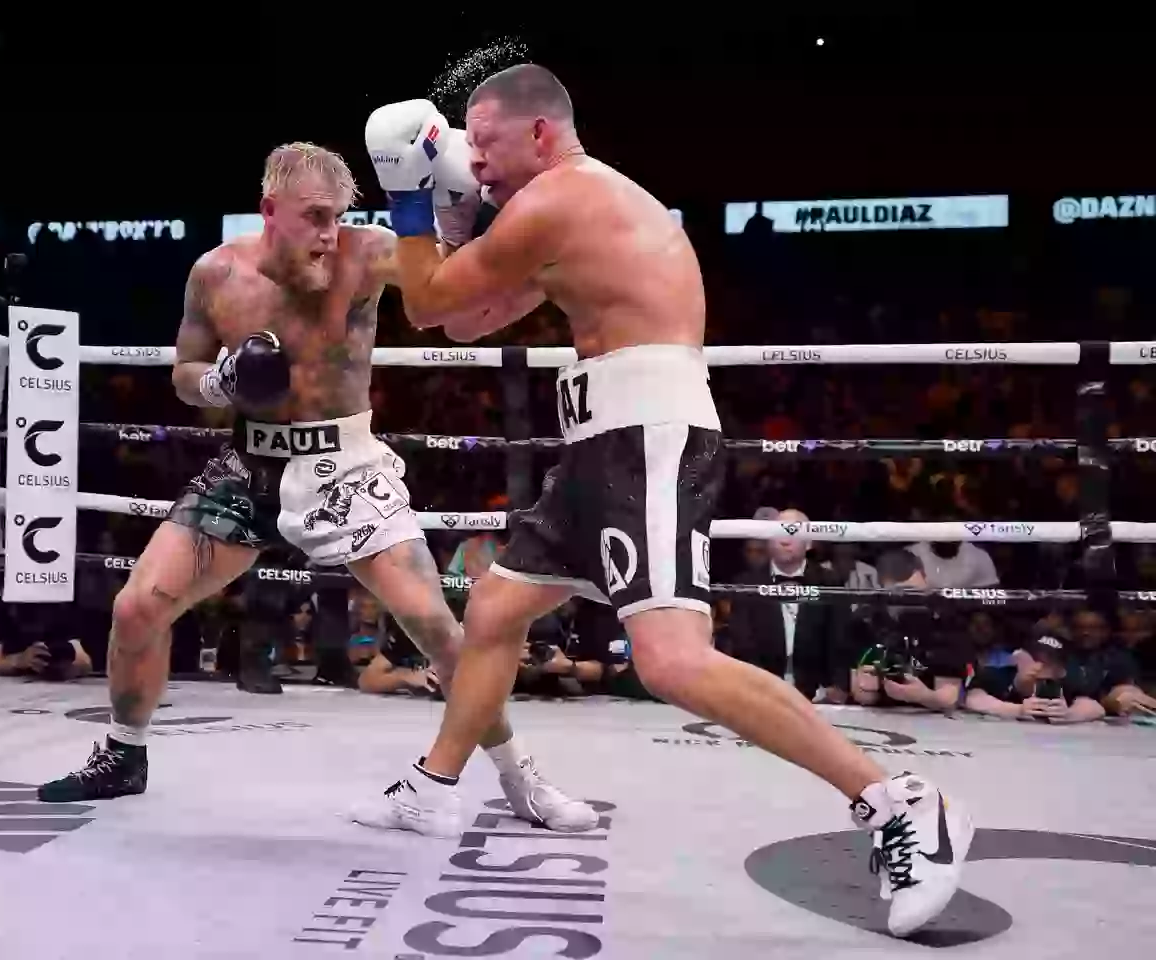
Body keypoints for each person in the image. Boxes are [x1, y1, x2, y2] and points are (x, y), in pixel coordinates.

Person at [355, 64, 972, 937]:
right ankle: (433, 785)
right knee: (495, 609)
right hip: (602, 443)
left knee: (673, 662)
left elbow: (423, 305)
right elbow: (465, 321)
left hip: (645, 437)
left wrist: (408, 197)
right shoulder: (567, 213)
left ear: (539, 132)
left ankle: (899, 801)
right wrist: (455, 219)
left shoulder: (561, 197)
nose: (475, 162)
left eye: (484, 144)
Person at [37, 141, 595, 834]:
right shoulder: (216, 273)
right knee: (135, 608)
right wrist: (220, 382)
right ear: (269, 209)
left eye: (338, 216)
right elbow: (184, 372)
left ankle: (521, 778)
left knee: (438, 631)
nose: (330, 233)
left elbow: (454, 288)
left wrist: (466, 211)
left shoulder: (368, 254)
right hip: (249, 466)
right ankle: (123, 754)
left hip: (346, 468)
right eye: (315, 216)